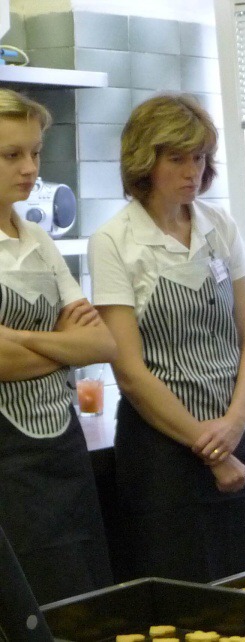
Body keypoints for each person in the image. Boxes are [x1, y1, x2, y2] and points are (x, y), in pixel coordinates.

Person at [88, 94, 245, 582]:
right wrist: (211, 448)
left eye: (200, 158)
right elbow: (130, 372)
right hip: (163, 450)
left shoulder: (220, 226)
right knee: (179, 596)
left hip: (236, 431)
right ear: (144, 161)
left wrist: (235, 424)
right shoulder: (114, 241)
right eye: (177, 159)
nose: (193, 172)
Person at [0, 89, 115, 603]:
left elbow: (100, 342)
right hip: (8, 465)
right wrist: (63, 343)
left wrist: (20, 337)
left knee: (85, 601)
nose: (30, 168)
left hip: (64, 451)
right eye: (12, 155)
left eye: (35, 152)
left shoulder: (38, 238)